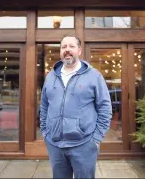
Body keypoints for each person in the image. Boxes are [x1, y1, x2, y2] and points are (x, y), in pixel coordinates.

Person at [40, 34, 112, 178]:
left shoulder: (94, 76)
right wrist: (45, 133)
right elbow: (44, 106)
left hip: (84, 145)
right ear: (60, 51)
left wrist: (96, 138)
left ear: (79, 50)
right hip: (55, 145)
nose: (67, 50)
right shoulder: (51, 76)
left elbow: (105, 108)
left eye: (71, 46)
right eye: (63, 47)